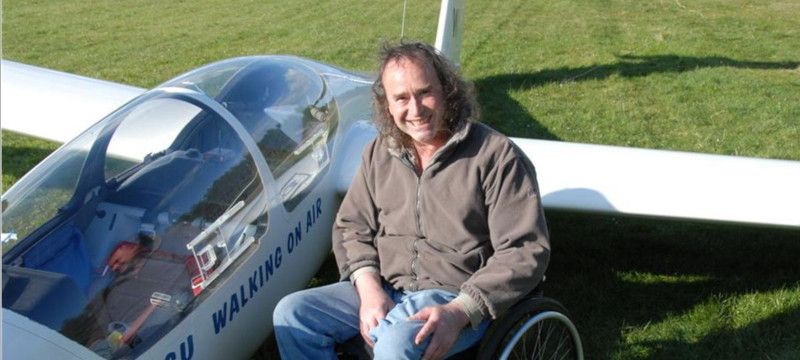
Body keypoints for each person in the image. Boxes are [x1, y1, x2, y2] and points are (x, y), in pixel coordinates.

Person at [273, 41, 550, 360]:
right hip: (388, 286)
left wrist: (460, 310)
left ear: (447, 91)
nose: (415, 110)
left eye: (424, 92)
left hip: (454, 295)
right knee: (292, 314)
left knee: (392, 345)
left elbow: (525, 249)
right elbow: (352, 225)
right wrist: (369, 288)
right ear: (387, 105)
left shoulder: (496, 157)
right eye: (401, 98)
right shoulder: (379, 152)